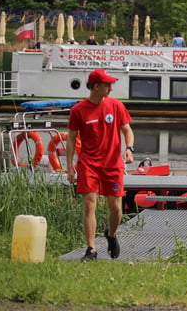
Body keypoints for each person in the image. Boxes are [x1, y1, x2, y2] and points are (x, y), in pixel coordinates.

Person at [66, 69, 135, 262]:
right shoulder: (78, 110)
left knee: (116, 209)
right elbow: (71, 139)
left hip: (112, 164)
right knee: (89, 204)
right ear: (96, 86)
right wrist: (70, 165)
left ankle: (111, 235)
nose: (111, 88)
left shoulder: (116, 106)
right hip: (88, 163)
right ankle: (91, 249)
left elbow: (127, 130)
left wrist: (129, 148)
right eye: (107, 85)